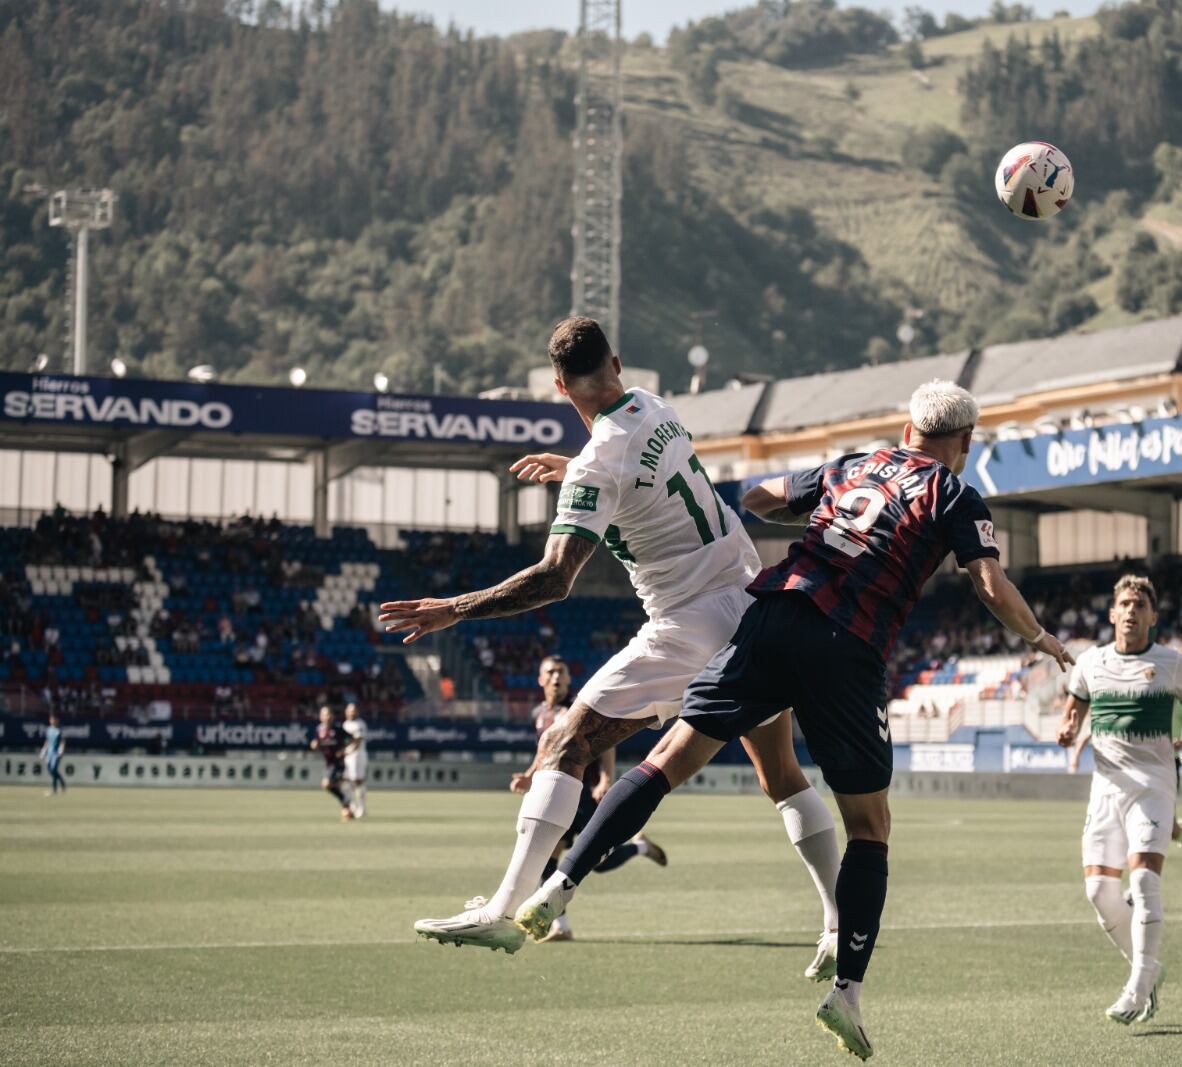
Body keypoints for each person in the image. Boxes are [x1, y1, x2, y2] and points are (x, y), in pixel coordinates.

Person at [515, 379, 1071, 1061]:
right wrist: (1043, 640)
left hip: (774, 614)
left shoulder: (856, 465)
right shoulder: (954, 494)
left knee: (669, 758)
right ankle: (847, 992)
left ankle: (557, 885)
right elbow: (988, 585)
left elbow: (756, 496)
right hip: (848, 645)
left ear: (906, 430)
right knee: (870, 825)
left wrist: (826, 523)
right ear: (964, 443)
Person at [386, 317, 841, 970]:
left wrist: (450, 609)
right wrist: (576, 472)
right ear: (619, 365)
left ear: (558, 385)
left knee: (565, 741)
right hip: (753, 600)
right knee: (781, 773)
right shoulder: (655, 408)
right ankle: (835, 917)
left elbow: (552, 579)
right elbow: (651, 478)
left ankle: (502, 909)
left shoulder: (598, 461)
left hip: (689, 622)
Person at [1056, 575, 1182, 1026]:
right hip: (1105, 788)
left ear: (1153, 616)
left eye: (1140, 604)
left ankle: (1138, 986)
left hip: (1153, 785)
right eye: (1124, 603)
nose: (1131, 611)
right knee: (1098, 891)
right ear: (1112, 614)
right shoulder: (1090, 663)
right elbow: (1074, 712)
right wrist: (1068, 728)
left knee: (1145, 882)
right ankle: (1147, 970)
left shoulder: (1172, 664)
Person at [529, 654, 666, 943]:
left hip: (585, 794)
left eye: (561, 672)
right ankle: (560, 926)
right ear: (541, 679)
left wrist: (606, 777)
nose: (556, 677)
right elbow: (546, 752)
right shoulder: (539, 713)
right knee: (546, 859)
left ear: (568, 678)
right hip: (558, 795)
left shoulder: (578, 709)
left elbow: (606, 744)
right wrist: (529, 774)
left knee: (598, 862)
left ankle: (639, 848)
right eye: (550, 672)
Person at [1068, 696, 1182, 893]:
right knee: (1168, 828)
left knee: (1157, 827)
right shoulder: (1140, 694)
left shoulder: (1177, 701)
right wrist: (1077, 753)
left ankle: (1134, 889)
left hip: (1166, 768)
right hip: (1137, 769)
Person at [310, 705, 351, 820]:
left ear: (332, 716)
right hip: (329, 763)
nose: (327, 717)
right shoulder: (319, 729)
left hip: (338, 763)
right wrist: (314, 745)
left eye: (329, 714)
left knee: (327, 784)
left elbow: (351, 740)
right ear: (320, 717)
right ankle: (346, 802)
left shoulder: (337, 729)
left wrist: (344, 751)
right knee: (330, 786)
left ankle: (346, 804)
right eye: (324, 715)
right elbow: (316, 742)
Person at [342, 703, 369, 820]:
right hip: (348, 756)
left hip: (357, 756)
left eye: (354, 711)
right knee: (347, 783)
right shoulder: (345, 724)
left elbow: (357, 742)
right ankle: (352, 807)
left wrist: (347, 751)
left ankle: (361, 808)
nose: (351, 713)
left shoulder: (360, 724)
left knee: (357, 781)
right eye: (349, 710)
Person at [39, 713, 66, 796]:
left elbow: (62, 741)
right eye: (51, 719)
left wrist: (61, 750)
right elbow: (47, 741)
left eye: (54, 719)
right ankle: (62, 783)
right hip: (49, 753)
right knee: (51, 770)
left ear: (57, 720)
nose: (52, 721)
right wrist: (43, 751)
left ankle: (54, 790)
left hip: (56, 754)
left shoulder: (59, 730)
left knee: (53, 769)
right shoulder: (49, 730)